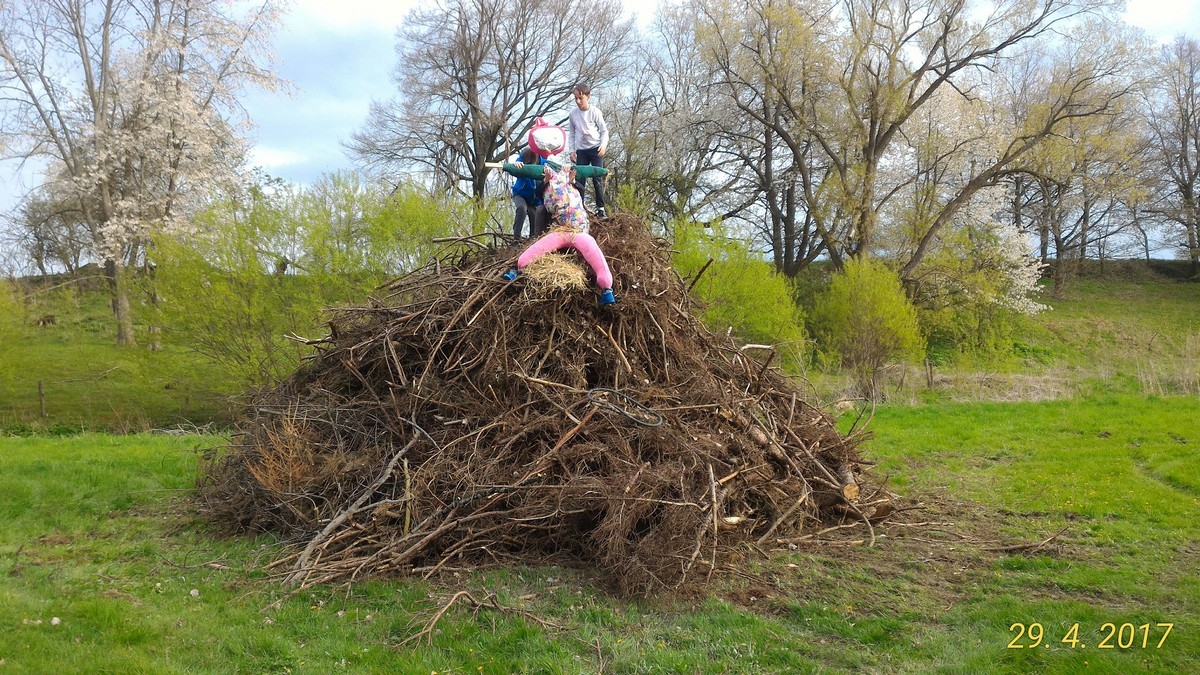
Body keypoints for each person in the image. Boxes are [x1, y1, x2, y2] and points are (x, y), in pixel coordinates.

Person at [502, 117, 616, 305]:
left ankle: (606, 288)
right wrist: (533, 175)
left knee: (594, 253)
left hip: (578, 231)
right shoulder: (543, 177)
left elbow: (583, 188)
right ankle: (518, 268)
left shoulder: (571, 181)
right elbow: (530, 180)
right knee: (537, 236)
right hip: (559, 230)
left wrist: (574, 180)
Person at [568, 82, 609, 219]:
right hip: (582, 150)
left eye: (581, 98)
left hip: (595, 149)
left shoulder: (595, 112)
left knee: (597, 178)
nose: (578, 101)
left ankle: (601, 208)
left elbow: (604, 131)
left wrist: (603, 145)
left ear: (588, 97)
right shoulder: (573, 114)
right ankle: (579, 207)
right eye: (576, 98)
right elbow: (572, 133)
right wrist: (571, 150)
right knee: (580, 179)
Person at [510, 148, 542, 239]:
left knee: (535, 218)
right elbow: (516, 164)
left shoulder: (542, 160)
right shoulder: (524, 156)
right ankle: (516, 238)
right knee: (522, 209)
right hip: (521, 195)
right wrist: (517, 164)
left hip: (535, 200)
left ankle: (532, 240)